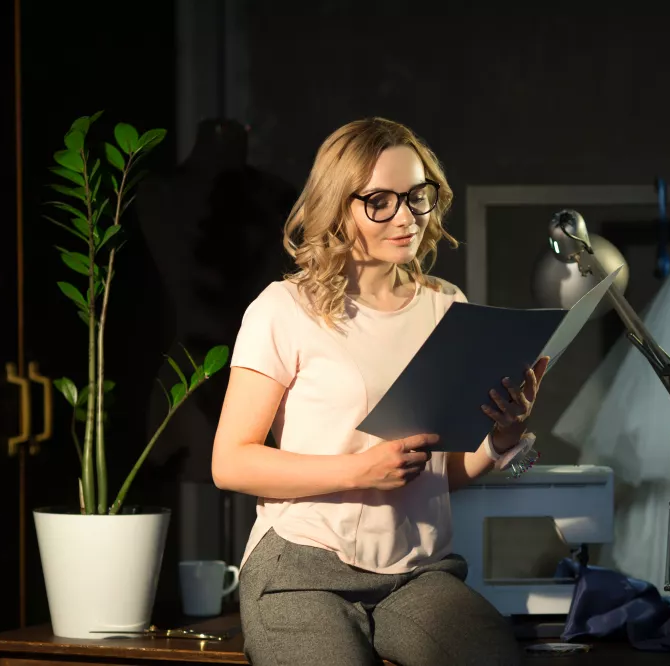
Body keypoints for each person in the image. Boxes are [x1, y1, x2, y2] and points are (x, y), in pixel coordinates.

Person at [211, 117, 548, 666]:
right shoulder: (283, 309)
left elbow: (442, 474)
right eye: (379, 201)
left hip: (417, 573)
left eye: (418, 196)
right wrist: (359, 471)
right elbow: (231, 463)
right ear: (339, 206)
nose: (406, 217)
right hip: (302, 566)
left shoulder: (448, 308)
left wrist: (502, 437)